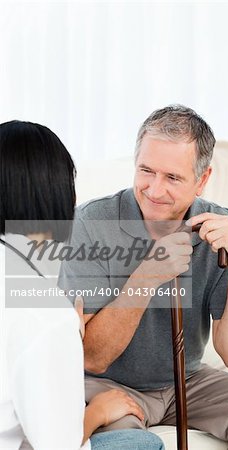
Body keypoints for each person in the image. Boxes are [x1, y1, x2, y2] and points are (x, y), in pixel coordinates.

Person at [60, 105, 228, 449]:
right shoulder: (90, 223)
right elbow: (91, 358)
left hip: (186, 380)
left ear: (202, 180)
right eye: (146, 171)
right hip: (106, 385)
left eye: (172, 178)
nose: (155, 190)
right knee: (129, 443)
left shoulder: (222, 225)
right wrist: (148, 274)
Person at [0, 120, 165, 450]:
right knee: (144, 444)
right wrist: (99, 411)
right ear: (58, 194)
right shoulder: (47, 315)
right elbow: (58, 445)